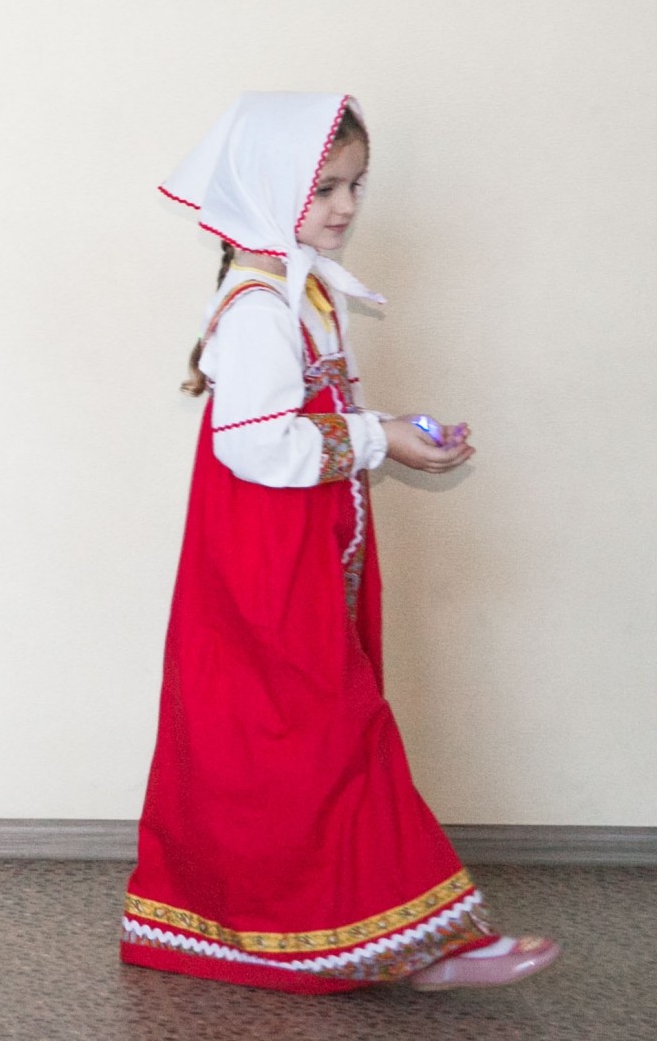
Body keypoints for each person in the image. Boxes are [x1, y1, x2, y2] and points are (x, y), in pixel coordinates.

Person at [121, 92, 559, 993]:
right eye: (323, 188)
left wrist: (396, 432)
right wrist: (377, 439)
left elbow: (314, 416)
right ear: (265, 187)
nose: (347, 207)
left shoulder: (306, 289)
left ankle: (375, 931)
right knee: (313, 732)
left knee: (294, 736)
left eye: (357, 185)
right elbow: (256, 446)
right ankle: (412, 938)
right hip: (265, 568)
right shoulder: (258, 307)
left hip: (305, 553)